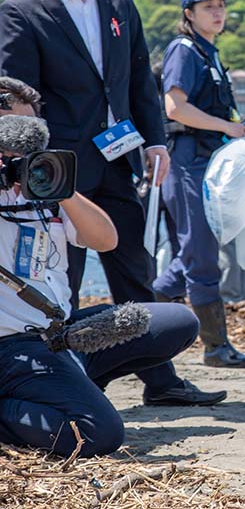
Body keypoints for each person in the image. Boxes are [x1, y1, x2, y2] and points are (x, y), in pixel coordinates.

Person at [0, 0, 222, 406]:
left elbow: (140, 79)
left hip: (120, 156)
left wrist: (156, 141)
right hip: (57, 167)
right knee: (65, 276)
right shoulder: (21, 11)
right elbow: (16, 100)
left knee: (133, 266)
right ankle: (70, 375)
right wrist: (39, 164)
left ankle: (161, 383)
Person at [0, 103, 217, 458]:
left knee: (177, 323)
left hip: (60, 334)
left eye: (30, 156)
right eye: (11, 157)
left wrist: (61, 185)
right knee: (99, 434)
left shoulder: (48, 198)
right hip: (13, 348)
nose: (20, 165)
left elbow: (106, 239)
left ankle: (73, 381)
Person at [152, 0, 245, 369]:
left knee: (191, 255)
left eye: (221, 6)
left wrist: (233, 123)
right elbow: (174, 108)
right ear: (188, 14)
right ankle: (215, 348)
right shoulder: (184, 49)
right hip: (186, 162)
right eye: (207, 6)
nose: (217, 12)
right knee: (202, 256)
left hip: (204, 163)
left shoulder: (208, 52)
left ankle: (145, 317)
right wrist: (226, 127)